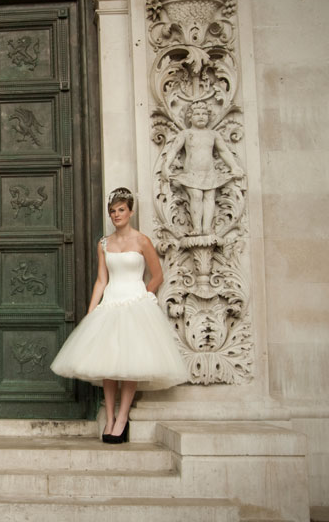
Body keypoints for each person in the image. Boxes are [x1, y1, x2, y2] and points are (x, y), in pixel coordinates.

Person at [50, 187, 188, 443]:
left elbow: (158, 275)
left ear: (131, 212)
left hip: (135, 301)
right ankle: (110, 417)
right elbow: (102, 280)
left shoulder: (142, 241)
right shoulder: (104, 243)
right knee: (108, 363)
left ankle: (123, 418)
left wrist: (143, 296)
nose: (116, 215)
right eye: (113, 211)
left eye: (121, 210)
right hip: (111, 301)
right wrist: (92, 311)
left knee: (129, 363)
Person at [163, 100, 244, 236]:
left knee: (209, 197)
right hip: (191, 173)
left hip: (209, 173)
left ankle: (206, 228)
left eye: (204, 114)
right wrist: (166, 166)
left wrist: (234, 167)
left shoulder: (213, 134)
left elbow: (224, 151)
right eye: (197, 114)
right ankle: (197, 227)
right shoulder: (186, 134)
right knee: (196, 196)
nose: (201, 116)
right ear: (190, 116)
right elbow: (174, 150)